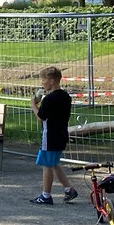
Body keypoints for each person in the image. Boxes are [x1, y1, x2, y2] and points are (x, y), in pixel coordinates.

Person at [30, 66, 76, 204]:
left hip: (49, 136)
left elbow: (41, 117)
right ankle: (69, 189)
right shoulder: (65, 96)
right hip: (61, 134)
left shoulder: (49, 99)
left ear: (51, 80)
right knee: (54, 163)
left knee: (47, 165)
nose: (42, 82)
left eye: (44, 79)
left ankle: (46, 195)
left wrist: (33, 104)